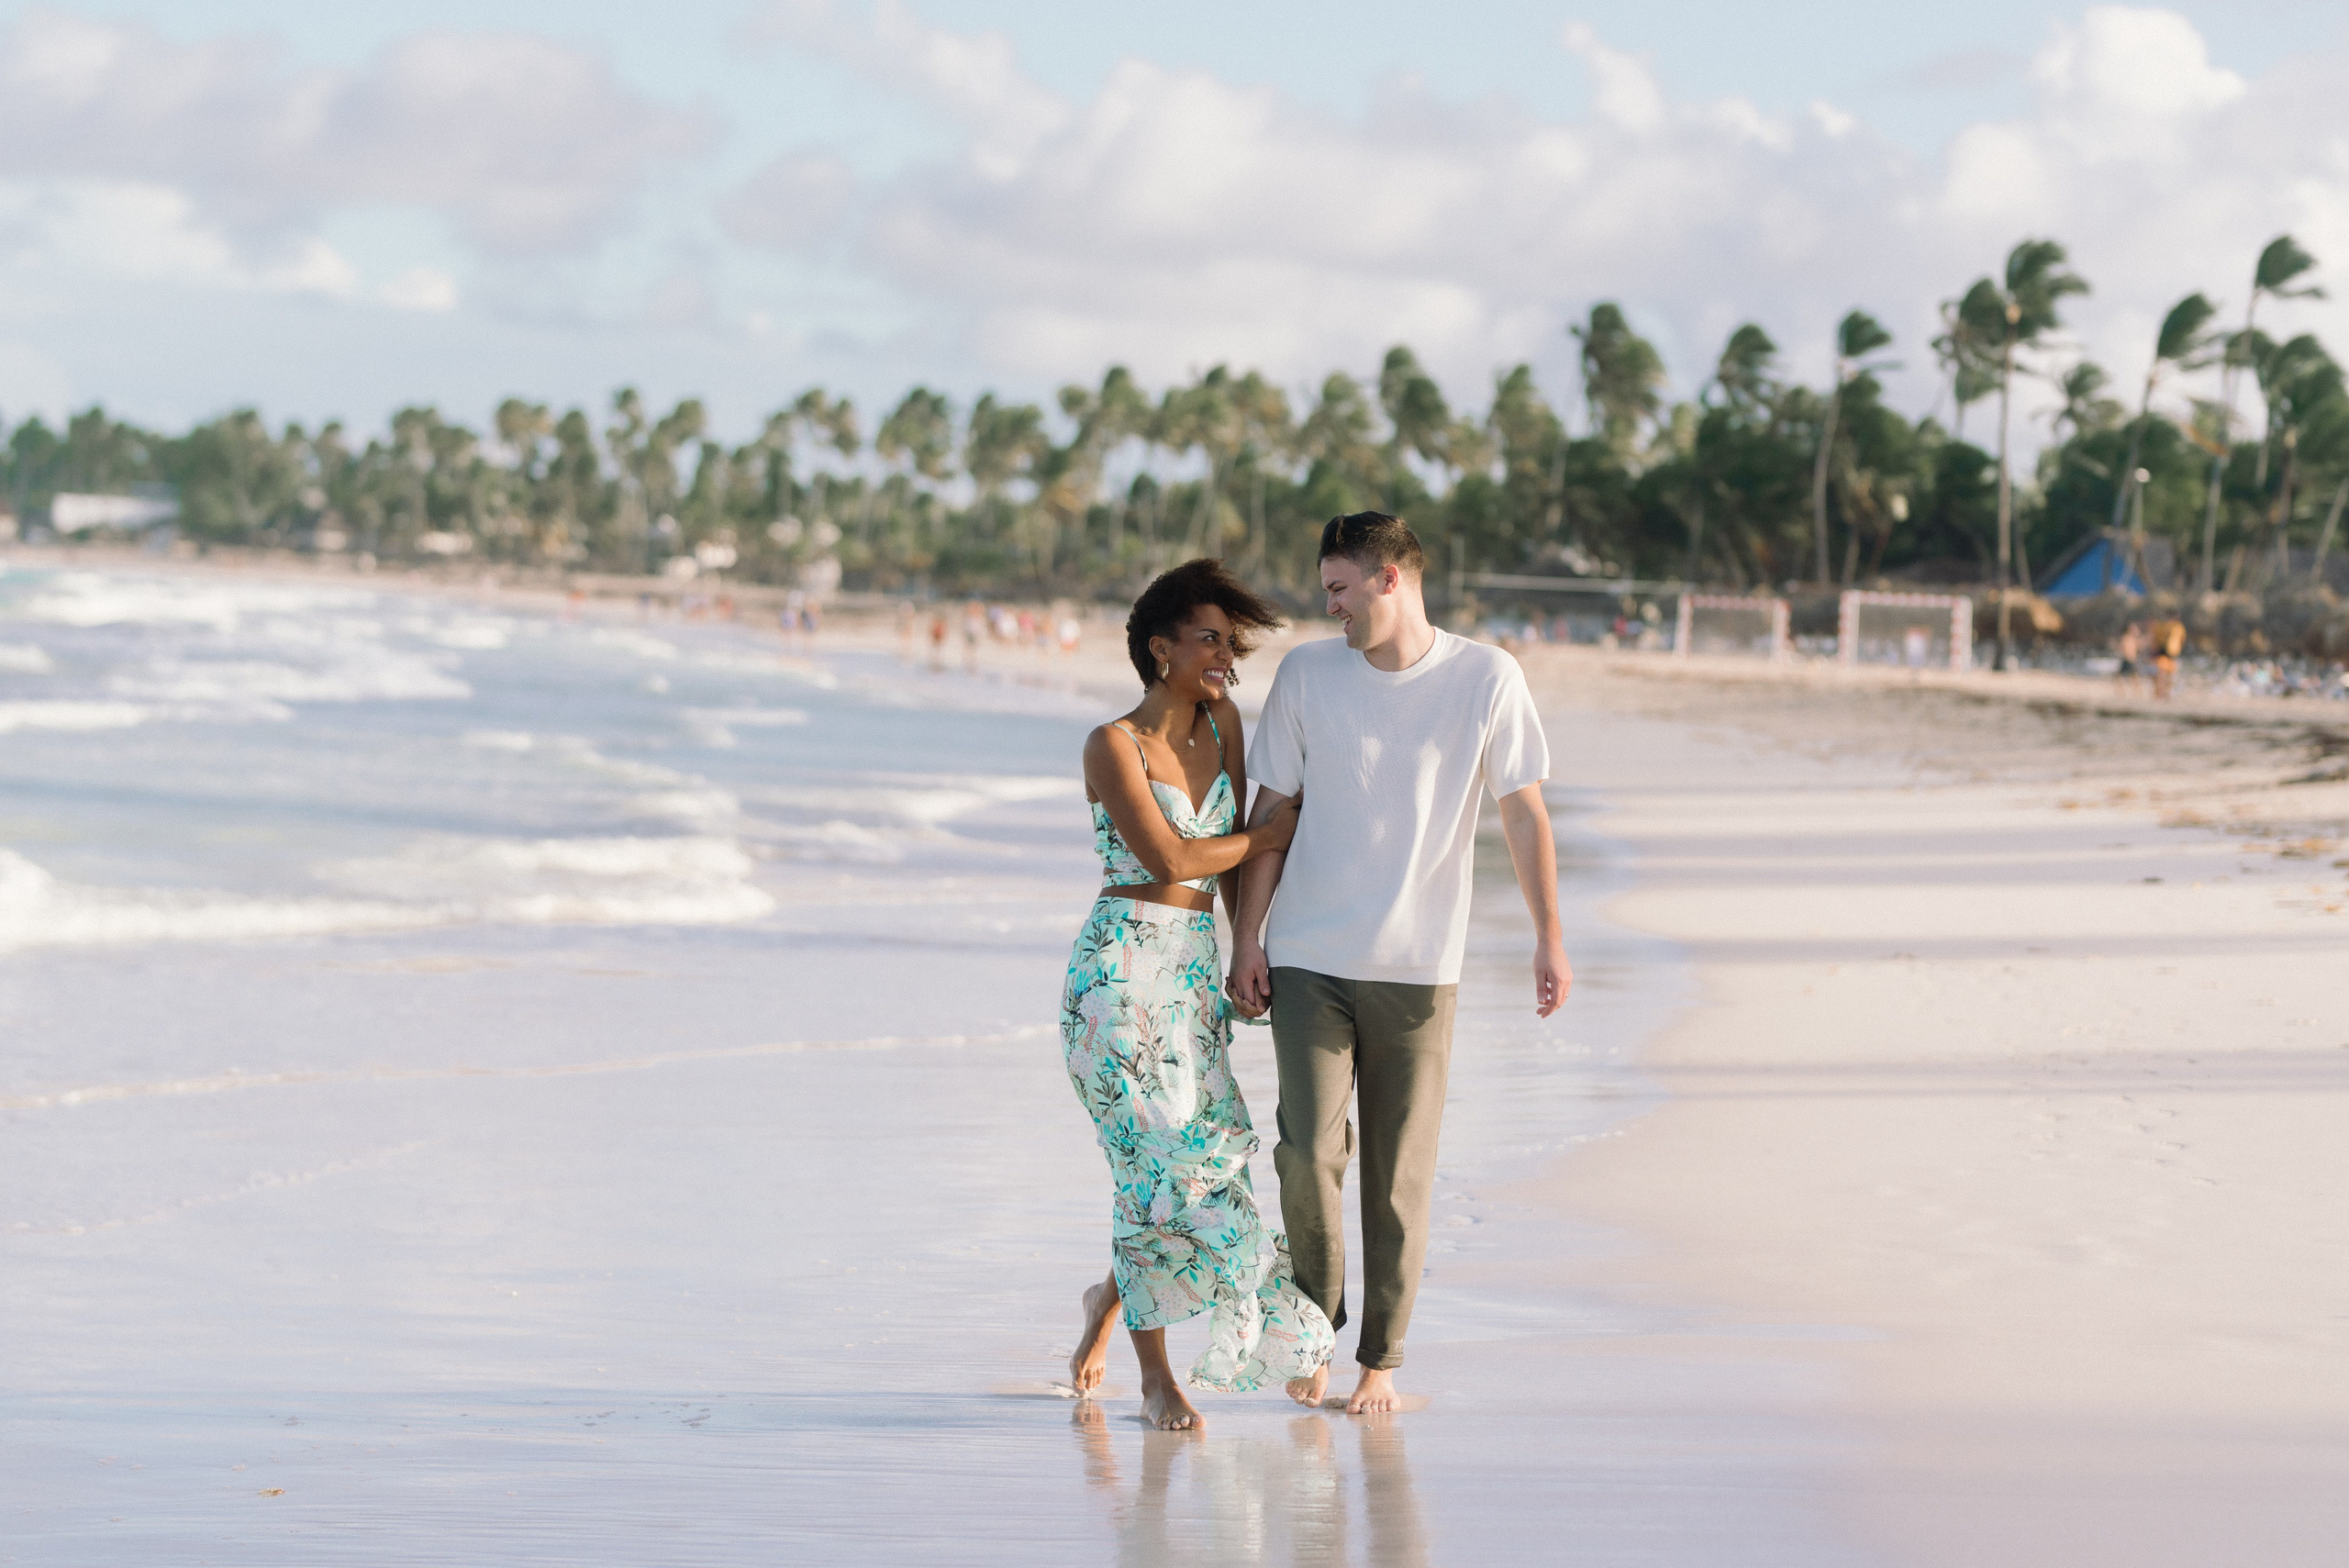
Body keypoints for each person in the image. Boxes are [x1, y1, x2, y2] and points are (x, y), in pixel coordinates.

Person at [1229, 512, 1572, 1417]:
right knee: (1306, 1153)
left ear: (1391, 578)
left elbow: (1525, 811)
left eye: (1338, 587)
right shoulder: (1307, 673)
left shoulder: (1485, 677)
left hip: (1421, 968)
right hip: (1308, 956)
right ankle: (1314, 1330)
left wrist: (1549, 934)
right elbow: (1272, 812)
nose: (1327, 604)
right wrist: (1247, 936)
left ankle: (1379, 1360)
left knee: (1396, 1176)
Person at [1062, 559, 1333, 1432]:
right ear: (1160, 647)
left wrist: (1241, 949)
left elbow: (1232, 864)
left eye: (1230, 640)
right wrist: (1262, 834)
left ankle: (1107, 1301)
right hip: (1115, 979)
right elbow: (1173, 859)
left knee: (1207, 1161)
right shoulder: (1113, 744)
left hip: (1186, 973)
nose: (1225, 655)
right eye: (1209, 639)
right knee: (1151, 1175)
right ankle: (1155, 1378)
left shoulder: (1221, 722)